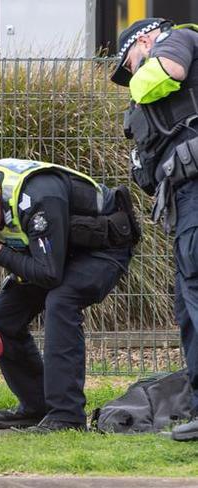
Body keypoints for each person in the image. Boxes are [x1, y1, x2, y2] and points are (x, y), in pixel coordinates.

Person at [0, 159, 137, 432]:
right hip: (56, 252)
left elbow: (49, 275)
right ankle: (36, 406)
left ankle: (67, 416)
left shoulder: (39, 196)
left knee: (62, 300)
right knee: (1, 318)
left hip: (103, 247)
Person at [111, 18, 198, 441]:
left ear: (145, 39)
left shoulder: (178, 39)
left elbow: (168, 73)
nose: (130, 74)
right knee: (186, 303)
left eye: (129, 61)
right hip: (182, 199)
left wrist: (138, 82)